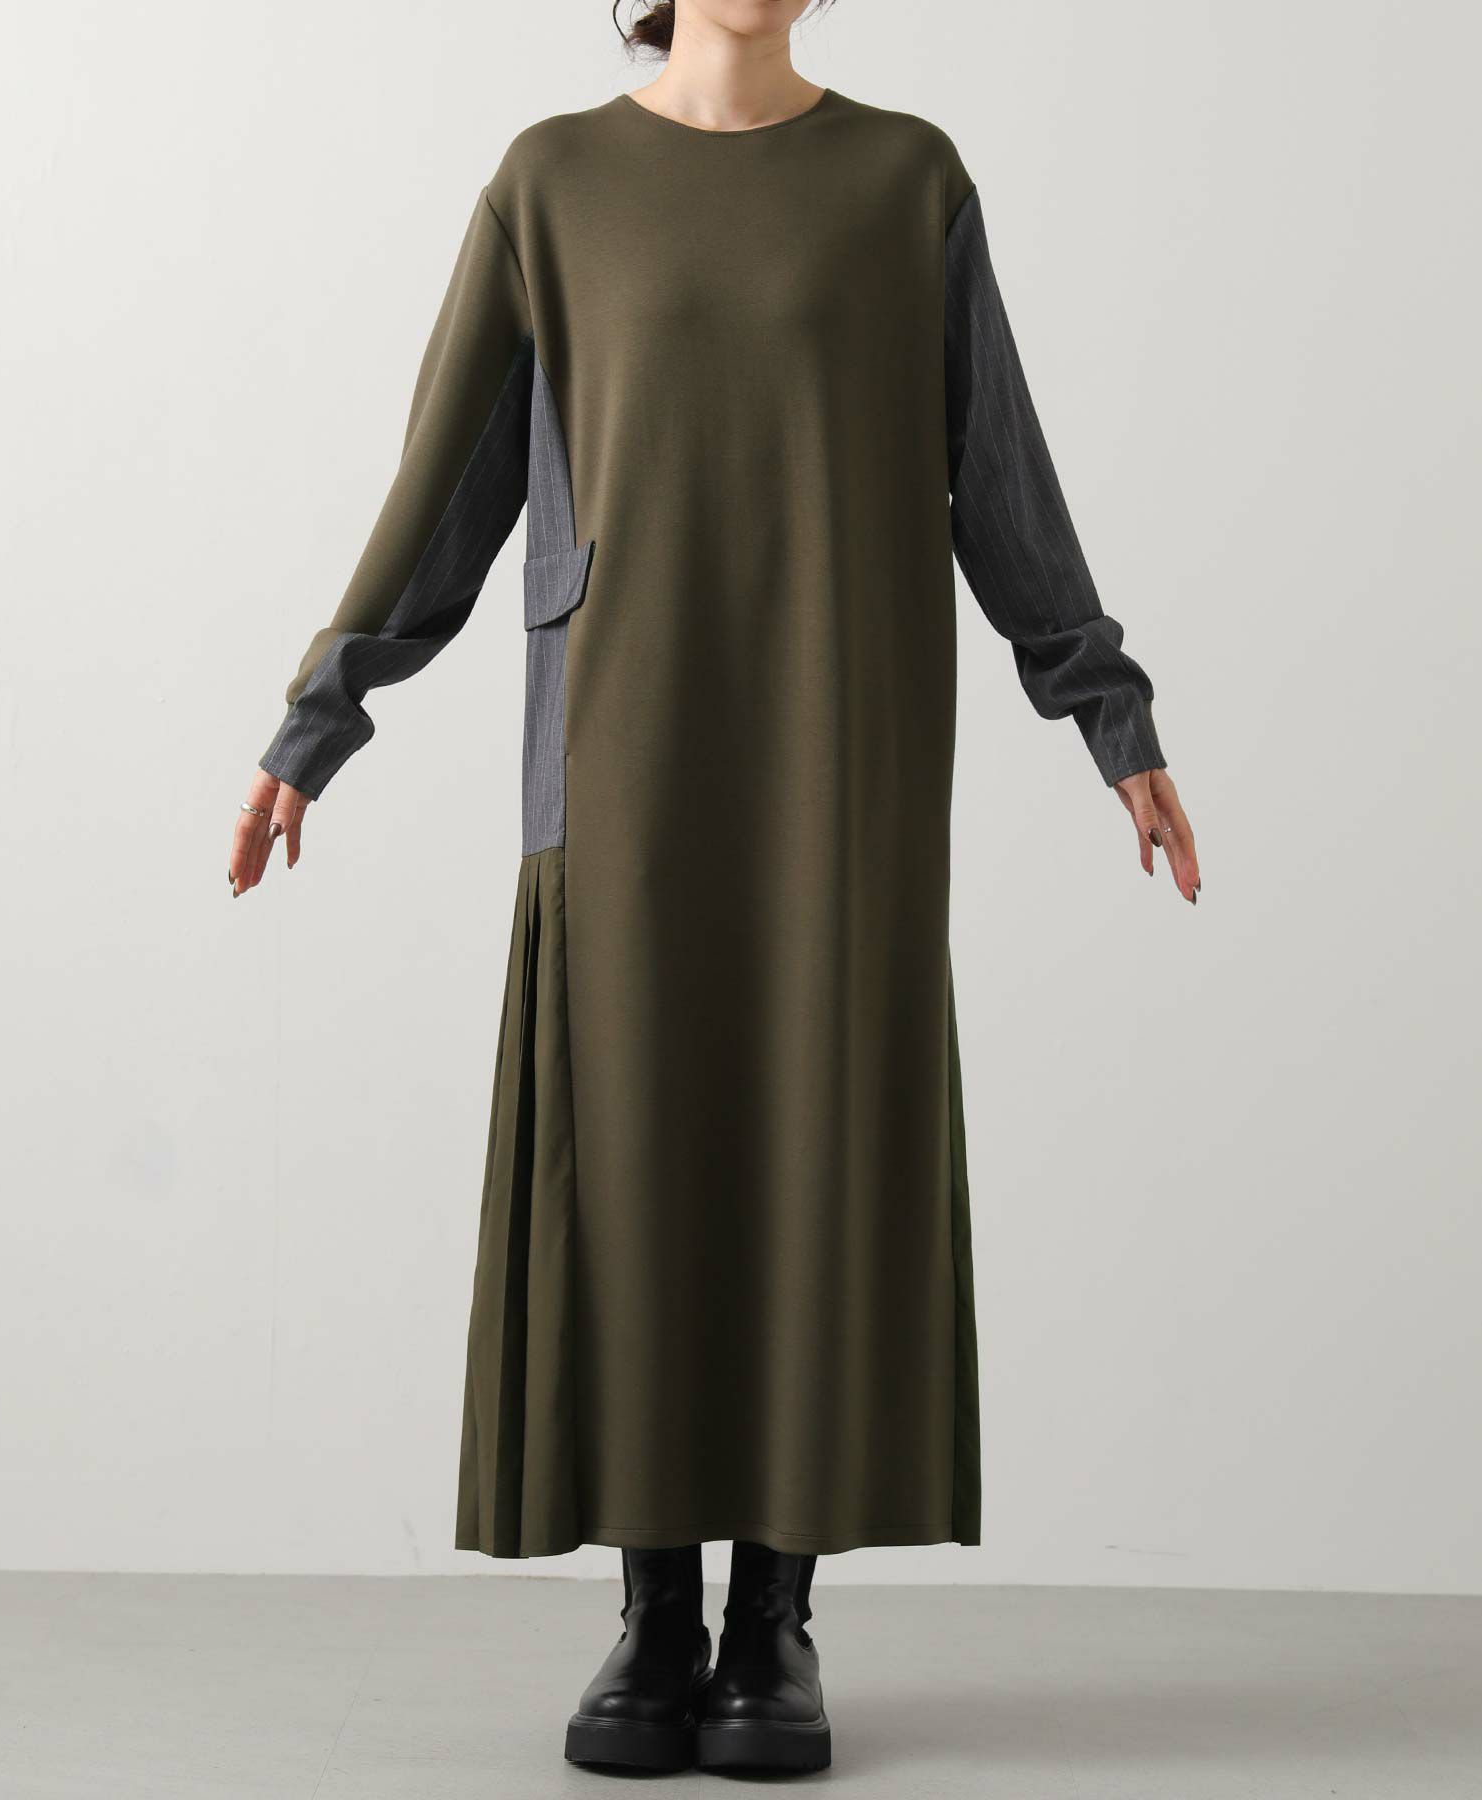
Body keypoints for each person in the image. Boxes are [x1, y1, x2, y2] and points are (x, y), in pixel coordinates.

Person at [228, 0, 1201, 1776]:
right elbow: (447, 482)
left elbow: (1000, 473)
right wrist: (323, 715)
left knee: (816, 1146)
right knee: (635, 1151)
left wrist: (1105, 707)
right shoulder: (552, 184)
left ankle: (775, 1622)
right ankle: (653, 1613)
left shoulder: (906, 183)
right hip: (621, 746)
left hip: (846, 746)